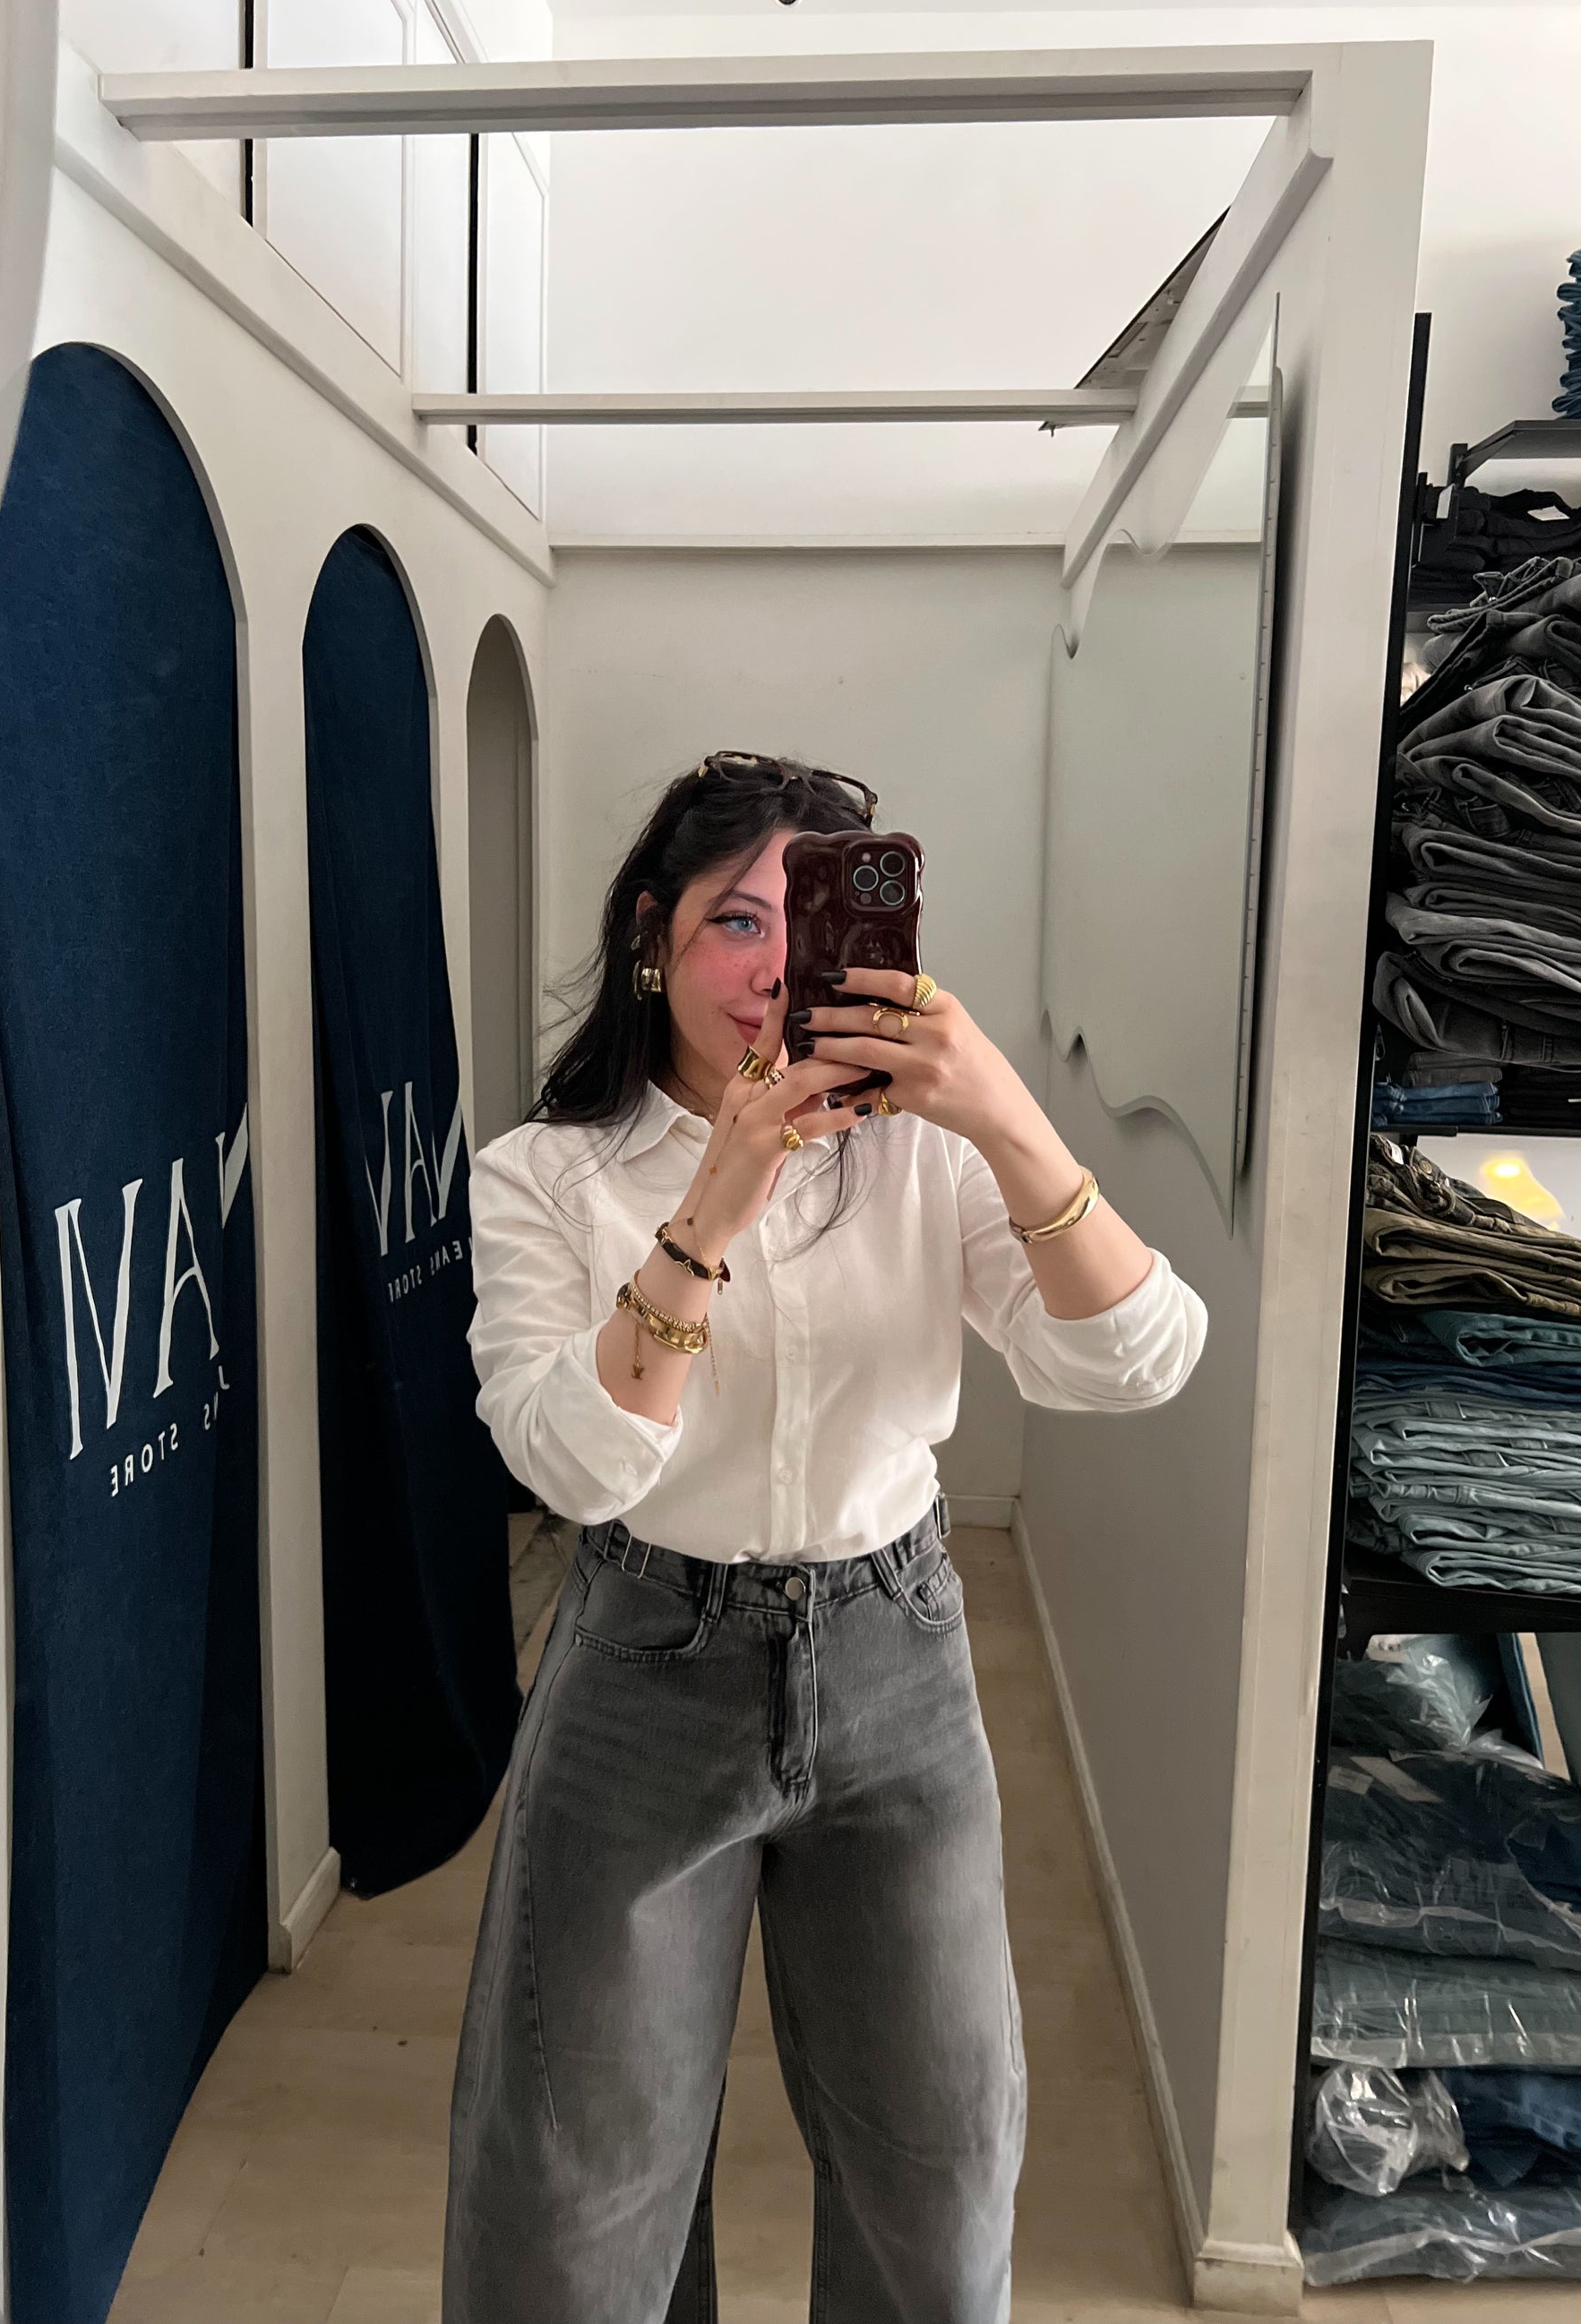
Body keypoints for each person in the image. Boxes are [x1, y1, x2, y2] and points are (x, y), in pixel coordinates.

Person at [443, 750, 1207, 2324]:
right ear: (650, 937)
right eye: (737, 920)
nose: (775, 967)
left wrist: (1000, 1113)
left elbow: (1135, 1361)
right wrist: (710, 1206)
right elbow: (572, 1466)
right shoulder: (544, 1175)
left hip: (892, 1660)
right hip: (642, 1667)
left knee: (940, 2164)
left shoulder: (928, 1154)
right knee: (581, 2187)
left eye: (814, 922)